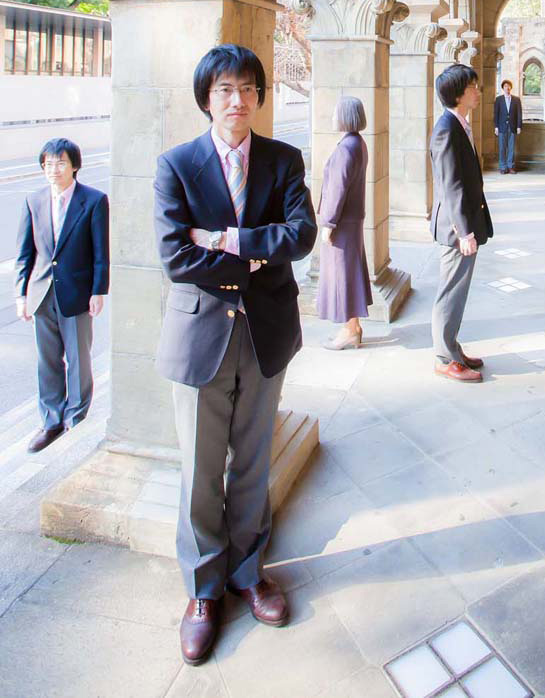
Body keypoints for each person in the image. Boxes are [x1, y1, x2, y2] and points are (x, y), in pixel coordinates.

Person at [153, 44, 316, 666]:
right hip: (200, 339)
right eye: (224, 89)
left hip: (265, 333)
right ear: (207, 98)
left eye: (247, 88)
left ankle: (249, 573)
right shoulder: (176, 165)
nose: (237, 100)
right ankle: (202, 591)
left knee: (251, 459)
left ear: (259, 96)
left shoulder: (283, 160)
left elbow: (300, 236)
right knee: (199, 467)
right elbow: (174, 256)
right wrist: (253, 256)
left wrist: (226, 240)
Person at [14, 138, 108, 453]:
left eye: (60, 163)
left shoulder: (94, 201)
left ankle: (75, 419)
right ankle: (51, 420)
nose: (53, 170)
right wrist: (20, 294)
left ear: (75, 166)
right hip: (41, 293)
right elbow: (25, 253)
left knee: (79, 360)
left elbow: (100, 253)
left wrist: (98, 291)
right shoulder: (33, 200)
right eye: (48, 164)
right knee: (47, 361)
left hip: (77, 293)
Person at [430, 63, 493, 382]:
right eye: (473, 86)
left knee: (458, 291)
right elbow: (450, 184)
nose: (478, 91)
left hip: (465, 221)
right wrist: (463, 231)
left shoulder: (459, 124)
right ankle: (444, 357)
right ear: (457, 93)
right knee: (450, 291)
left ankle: (452, 348)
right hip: (456, 228)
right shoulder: (446, 128)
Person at [317, 96, 372, 349]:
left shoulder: (345, 148)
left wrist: (328, 223)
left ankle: (349, 330)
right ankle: (353, 327)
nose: (332, 116)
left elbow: (337, 188)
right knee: (349, 274)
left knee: (342, 277)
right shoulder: (357, 143)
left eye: (336, 112)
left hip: (341, 223)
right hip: (351, 220)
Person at [493, 79, 523, 173]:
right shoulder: (498, 100)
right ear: (503, 88)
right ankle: (502, 167)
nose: (507, 88)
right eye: (505, 86)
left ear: (511, 88)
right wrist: (496, 127)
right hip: (501, 127)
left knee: (511, 147)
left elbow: (519, 114)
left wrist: (519, 126)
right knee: (502, 148)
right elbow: (496, 114)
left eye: (509, 86)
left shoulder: (516, 100)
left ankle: (510, 167)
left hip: (513, 127)